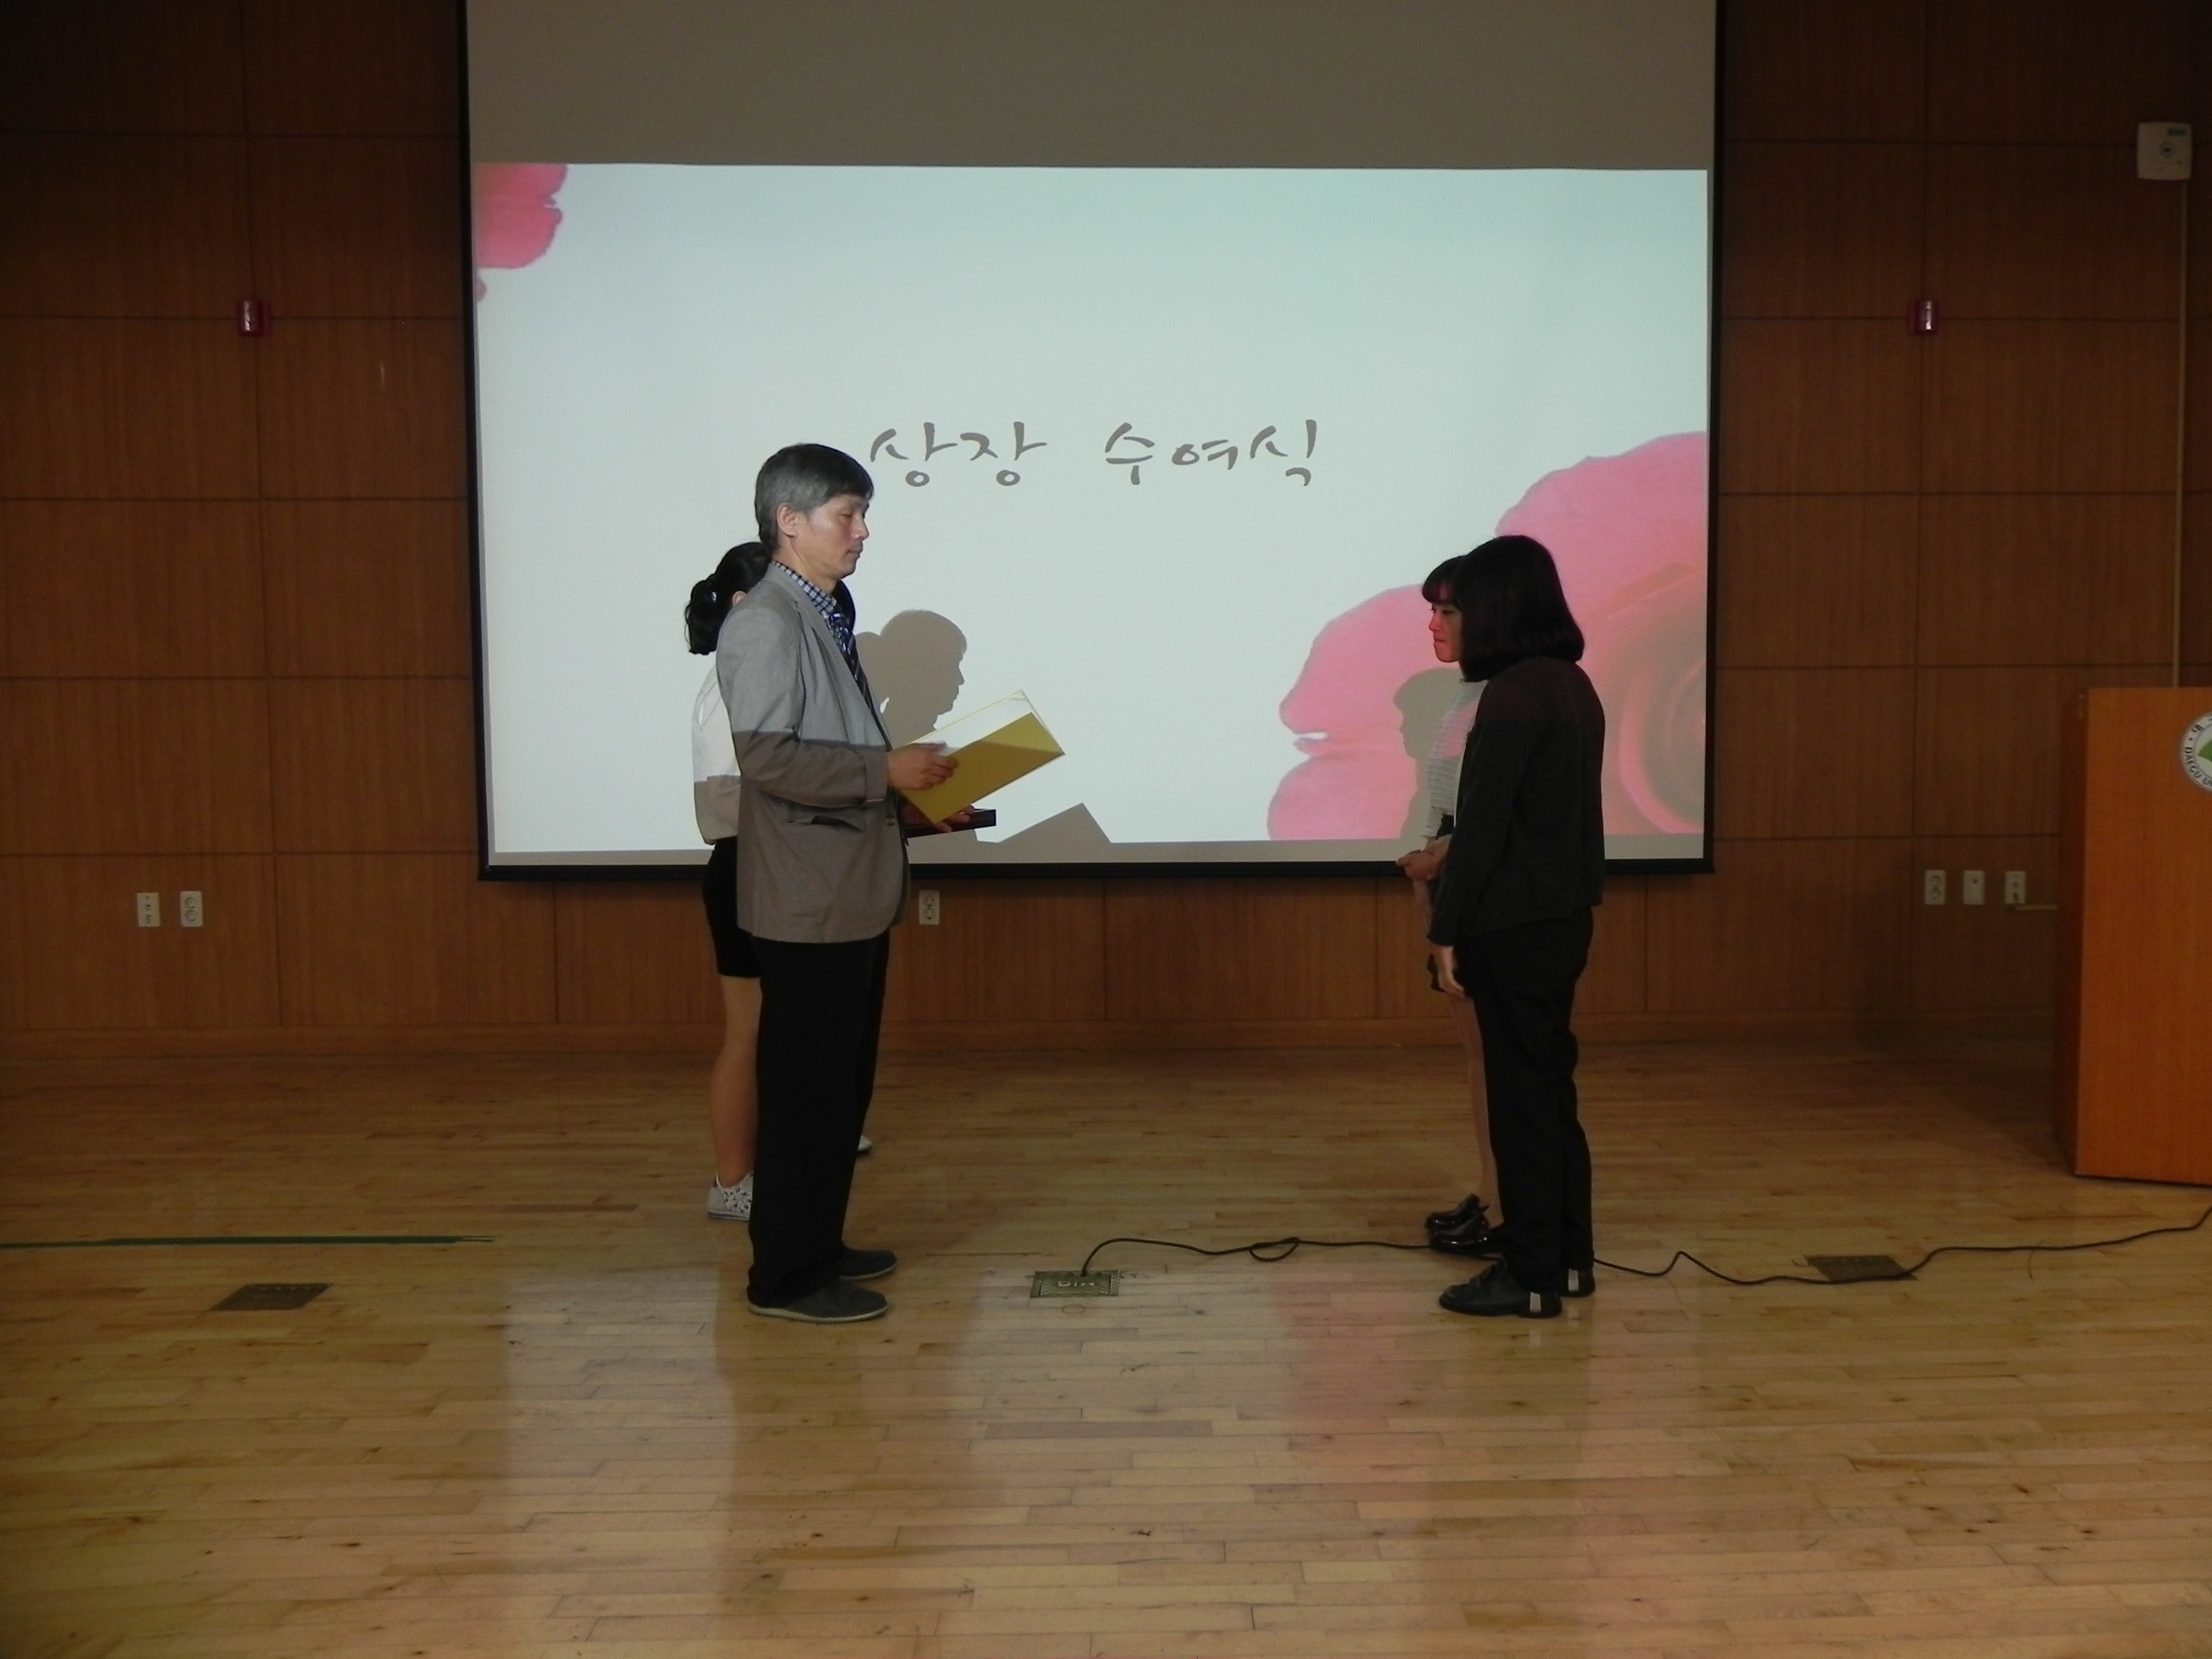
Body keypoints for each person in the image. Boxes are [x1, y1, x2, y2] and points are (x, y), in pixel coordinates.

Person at [717, 443, 956, 1324]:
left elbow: (823, 752)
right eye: (847, 515)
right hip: (808, 898)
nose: (862, 532)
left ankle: (817, 1242)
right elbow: (770, 759)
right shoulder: (768, 622)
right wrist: (882, 773)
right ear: (789, 521)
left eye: (862, 514)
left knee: (837, 1089)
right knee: (806, 1091)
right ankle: (786, 1275)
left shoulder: (819, 614)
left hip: (843, 890)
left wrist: (908, 801)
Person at [1426, 535, 1605, 1319]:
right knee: (1548, 1093)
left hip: (1509, 923)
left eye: (1459, 606)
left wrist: (1445, 930)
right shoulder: (1571, 684)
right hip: (1560, 919)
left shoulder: (1512, 693)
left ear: (1496, 607)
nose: (1449, 621)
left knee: (1521, 1102)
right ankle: (1568, 1260)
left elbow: (1483, 828)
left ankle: (1529, 1276)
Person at [686, 544, 874, 1227]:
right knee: (750, 1033)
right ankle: (734, 1179)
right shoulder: (735, 685)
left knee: (793, 1034)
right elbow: (736, 798)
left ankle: (801, 1145)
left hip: (787, 868)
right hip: (754, 867)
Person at [1393, 555, 1502, 1262]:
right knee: (1480, 1061)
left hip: (1487, 905)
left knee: (1498, 1064)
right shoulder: (1465, 697)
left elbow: (1494, 817)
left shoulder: (1504, 700)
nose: (1434, 624)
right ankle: (1492, 1193)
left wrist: (1440, 860)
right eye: (1433, 610)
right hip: (1452, 895)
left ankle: (1503, 1206)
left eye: (1449, 611)